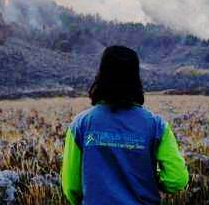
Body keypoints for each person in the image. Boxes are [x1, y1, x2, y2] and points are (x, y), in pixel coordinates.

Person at [61, 45, 189, 205]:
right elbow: (177, 180)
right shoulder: (157, 126)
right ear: (136, 79)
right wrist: (151, 177)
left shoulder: (80, 125)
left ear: (101, 76)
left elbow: (71, 188)